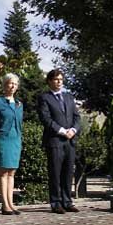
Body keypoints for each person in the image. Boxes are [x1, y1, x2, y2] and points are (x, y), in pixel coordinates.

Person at [37, 69, 81, 214]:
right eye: (56, 79)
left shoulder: (68, 97)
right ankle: (56, 203)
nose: (59, 82)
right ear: (49, 81)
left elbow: (77, 117)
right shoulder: (44, 98)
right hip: (55, 140)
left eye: (61, 79)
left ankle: (67, 201)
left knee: (68, 172)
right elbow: (46, 119)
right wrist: (62, 131)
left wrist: (73, 130)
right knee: (55, 173)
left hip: (70, 141)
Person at [0, 73, 23, 215]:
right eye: (10, 83)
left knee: (12, 172)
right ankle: (5, 205)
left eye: (15, 83)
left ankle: (11, 203)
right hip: (2, 139)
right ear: (4, 85)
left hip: (15, 140)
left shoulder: (20, 104)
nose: (12, 86)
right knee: (3, 172)